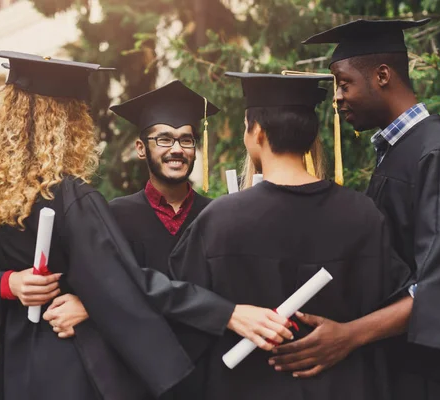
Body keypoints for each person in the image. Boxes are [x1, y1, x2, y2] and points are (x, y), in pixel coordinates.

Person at [0, 51, 292, 400]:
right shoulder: (75, 198)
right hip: (67, 367)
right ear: (65, 121)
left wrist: (10, 284)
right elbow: (128, 281)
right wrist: (229, 314)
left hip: (16, 363)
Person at [270, 19, 440, 400]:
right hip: (401, 366)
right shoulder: (400, 153)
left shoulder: (438, 154)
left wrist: (348, 337)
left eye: (343, 82)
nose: (337, 97)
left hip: (434, 380)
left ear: (383, 75)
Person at [168, 72, 413, 400]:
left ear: (256, 132)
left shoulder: (219, 220)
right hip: (343, 387)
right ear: (311, 136)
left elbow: (177, 309)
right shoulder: (363, 215)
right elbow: (404, 306)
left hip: (244, 387)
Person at [43, 80, 220, 399]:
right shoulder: (112, 217)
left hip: (205, 374)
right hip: (135, 378)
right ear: (141, 148)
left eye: (186, 140)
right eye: (164, 139)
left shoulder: (217, 216)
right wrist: (91, 303)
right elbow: (93, 284)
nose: (177, 149)